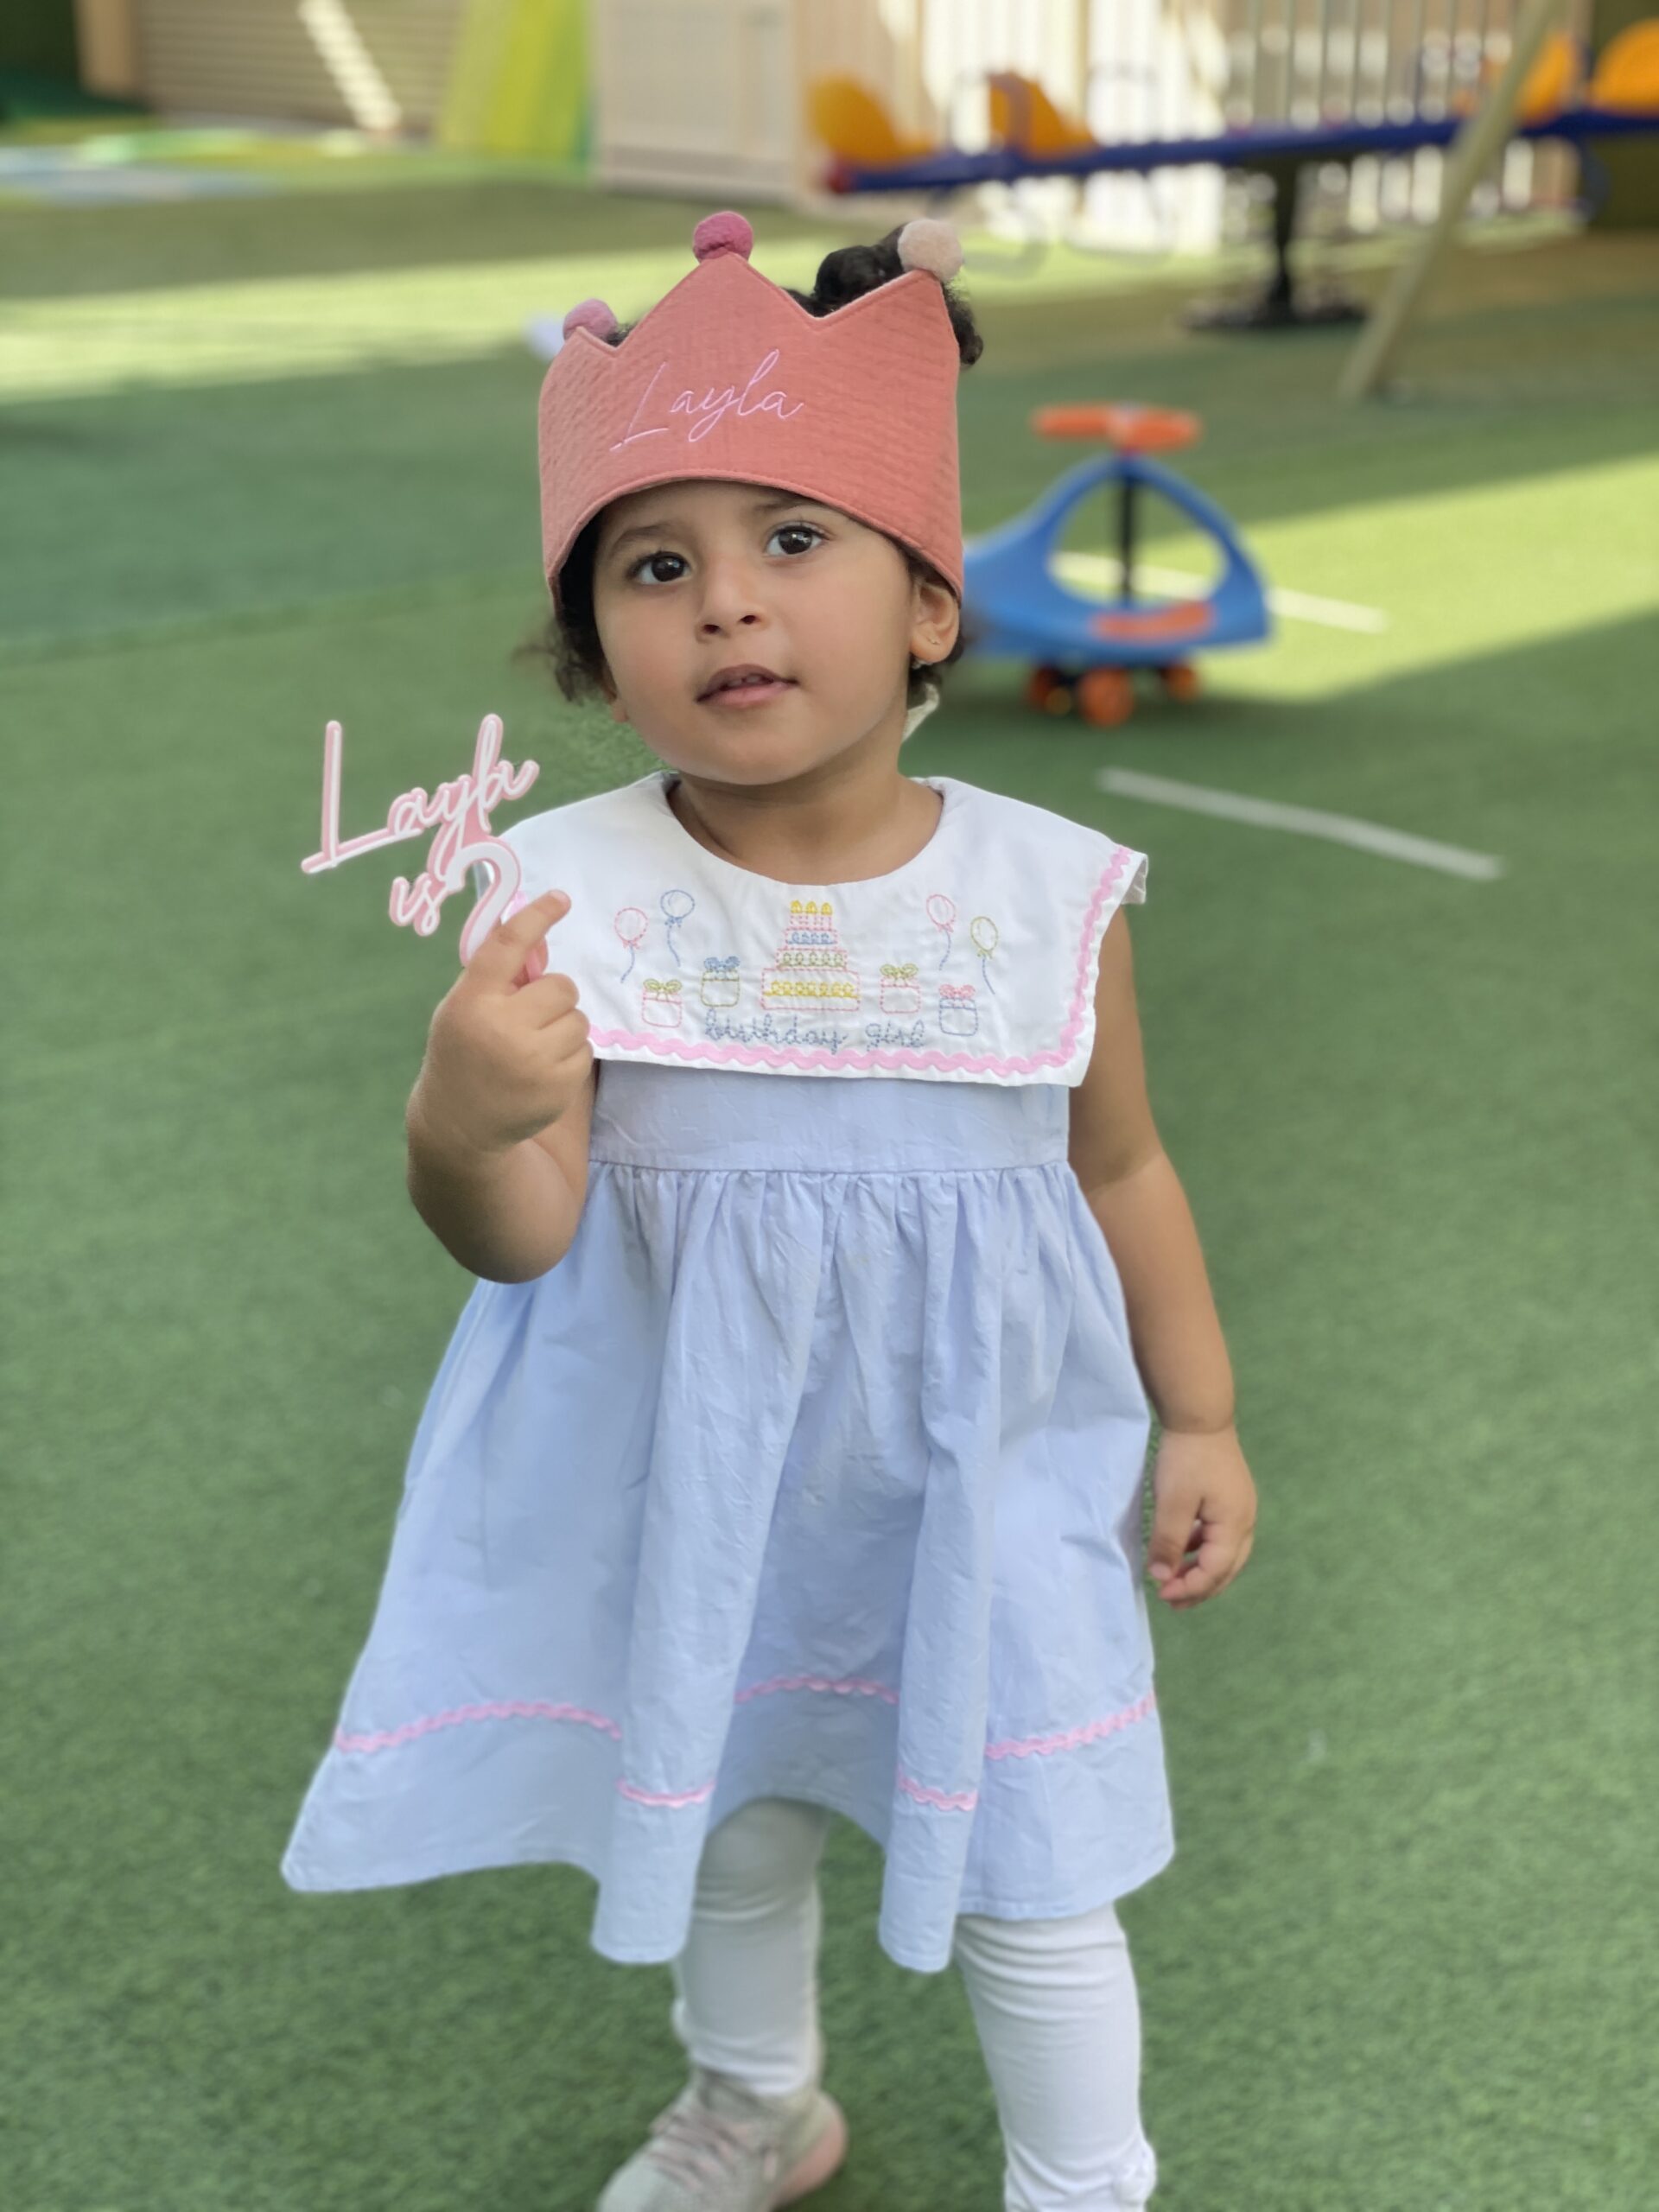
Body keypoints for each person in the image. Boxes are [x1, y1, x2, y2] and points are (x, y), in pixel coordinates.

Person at [281, 210, 1258, 2212]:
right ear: (596, 652)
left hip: (981, 1473)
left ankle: (1087, 2183)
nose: (726, 598)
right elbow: (522, 1235)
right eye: (656, 565)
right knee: (729, 1818)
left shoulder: (1046, 890)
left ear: (929, 604)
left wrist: (1204, 1411)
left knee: (1033, 1864)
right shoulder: (569, 897)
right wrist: (464, 1119)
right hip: (702, 1475)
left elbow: (1122, 1162)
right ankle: (757, 2100)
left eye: (793, 538)